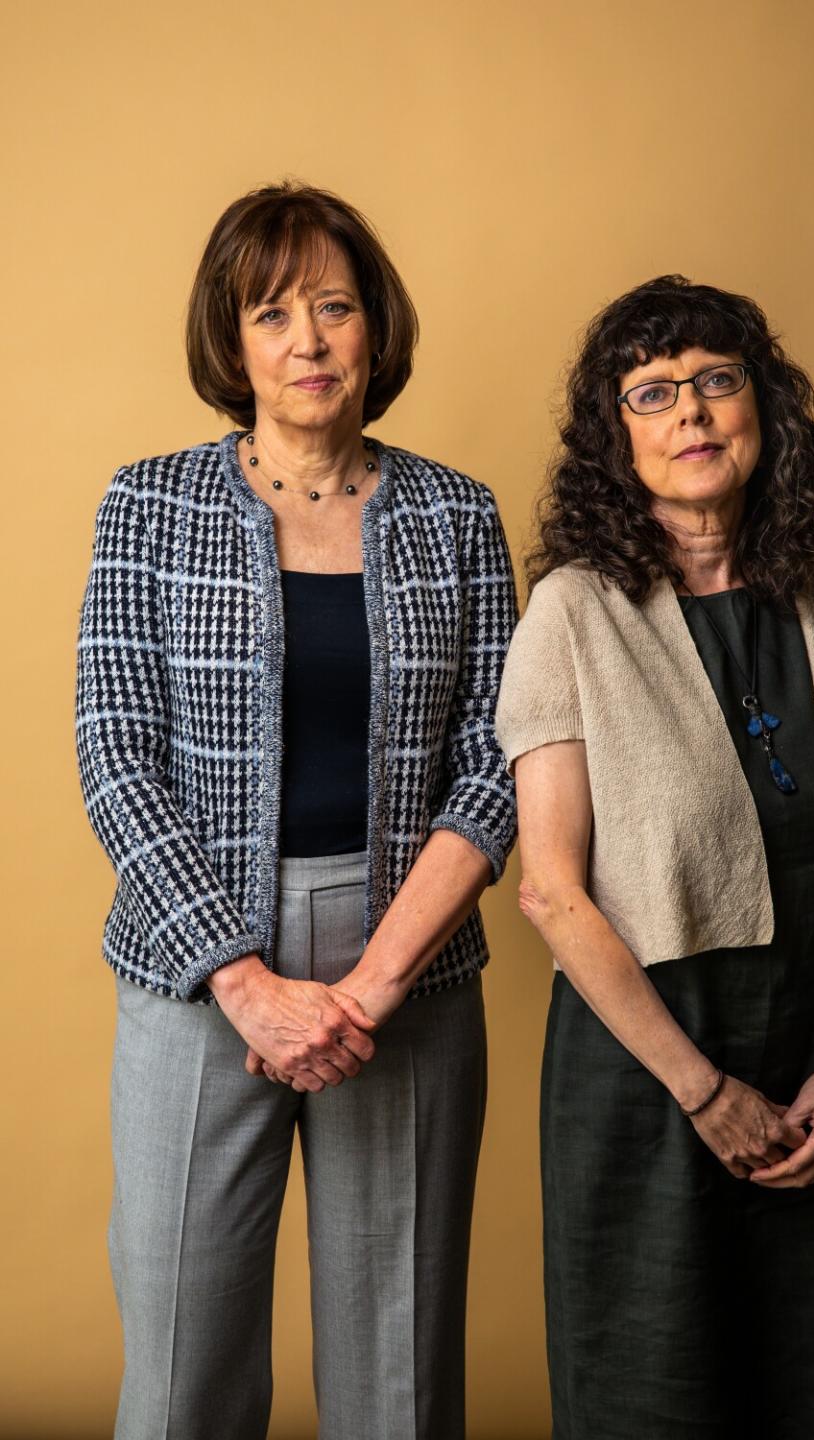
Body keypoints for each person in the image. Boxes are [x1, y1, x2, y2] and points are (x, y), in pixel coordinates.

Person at [76, 181, 517, 1440]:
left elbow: (498, 763)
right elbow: (115, 749)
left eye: (334, 307)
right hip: (196, 966)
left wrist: (374, 984)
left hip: (410, 970)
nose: (309, 341)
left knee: (401, 1373)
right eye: (274, 312)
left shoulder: (456, 515)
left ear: (375, 327)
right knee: (180, 1370)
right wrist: (243, 978)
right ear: (233, 338)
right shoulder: (149, 504)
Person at [494, 276, 814, 1439]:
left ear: (763, 409)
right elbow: (551, 890)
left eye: (716, 382)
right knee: (656, 1400)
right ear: (614, 440)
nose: (692, 412)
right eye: (653, 392)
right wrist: (703, 1091)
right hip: (646, 1073)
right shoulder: (573, 615)